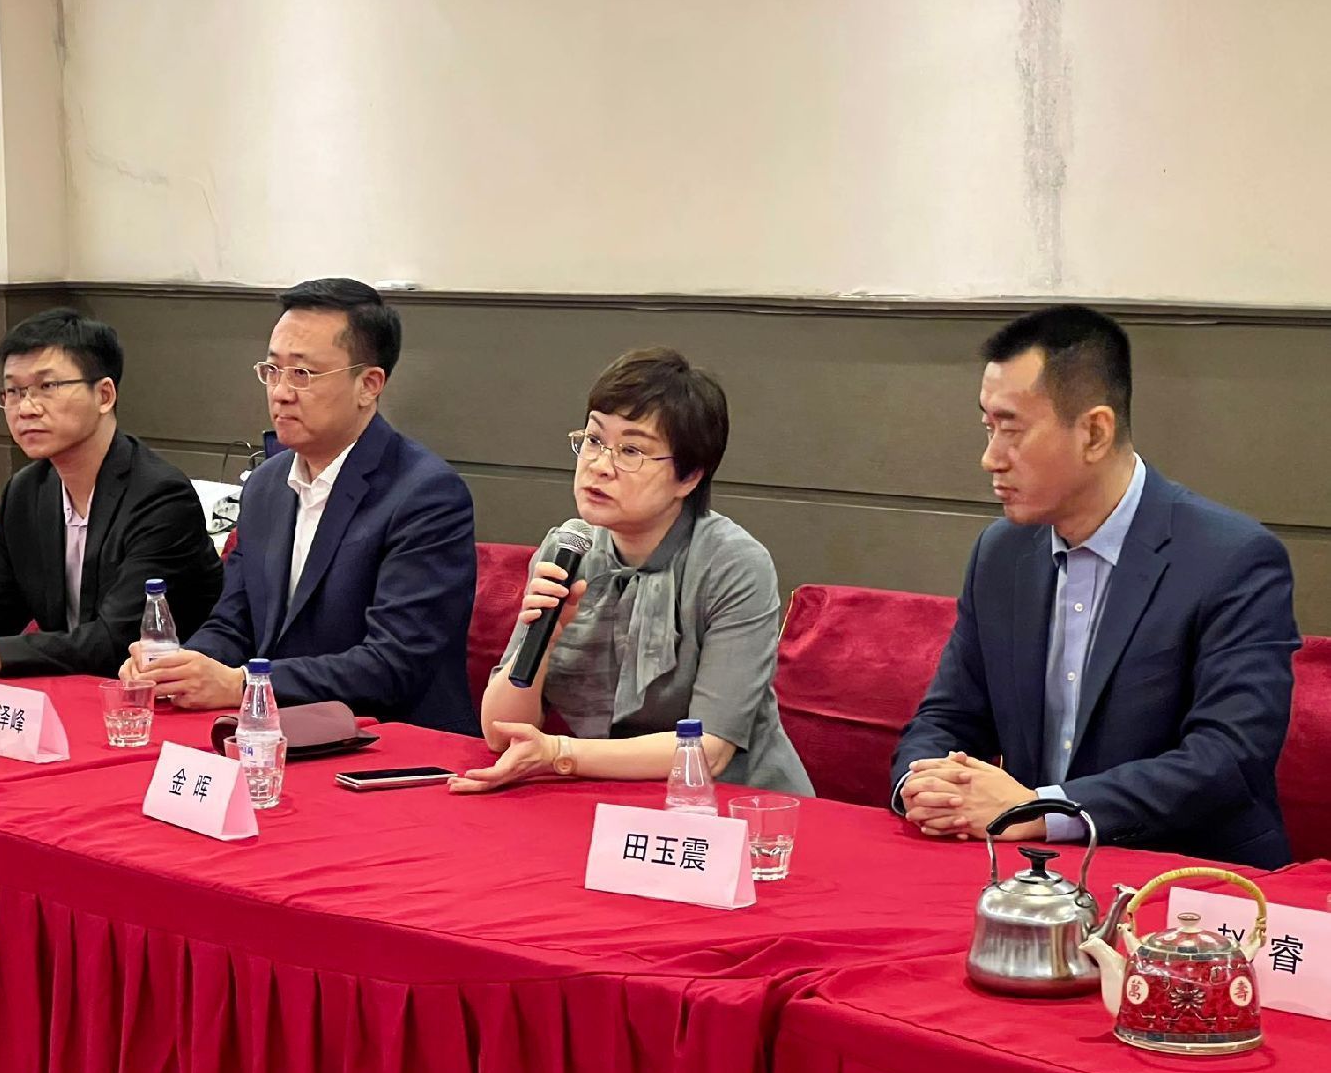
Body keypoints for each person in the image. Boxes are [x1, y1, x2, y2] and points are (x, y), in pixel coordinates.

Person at [892, 305, 1298, 869]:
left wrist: (1041, 810)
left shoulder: (1232, 558)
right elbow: (948, 717)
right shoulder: (1002, 553)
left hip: (1186, 877)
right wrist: (924, 784)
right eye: (988, 427)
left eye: (1012, 429)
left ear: (1094, 432)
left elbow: (1227, 758)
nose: (990, 458)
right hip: (1037, 875)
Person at [124, 278, 478, 732]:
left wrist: (242, 684)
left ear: (369, 385)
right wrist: (180, 668)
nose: (280, 392)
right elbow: (234, 623)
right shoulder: (267, 485)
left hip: (389, 741)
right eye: (272, 370)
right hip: (276, 731)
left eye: (302, 374)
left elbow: (393, 664)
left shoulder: (425, 494)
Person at [455, 346, 813, 796]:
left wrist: (559, 753)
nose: (599, 466)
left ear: (689, 477)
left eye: (631, 450)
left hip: (732, 803)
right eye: (594, 440)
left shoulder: (733, 564)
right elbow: (500, 733)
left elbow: (709, 749)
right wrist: (544, 639)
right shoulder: (568, 549)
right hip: (608, 796)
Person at [0, 308, 223, 677]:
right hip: (70, 688)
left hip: (158, 693)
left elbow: (115, 641)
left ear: (104, 395)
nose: (26, 408)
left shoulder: (161, 497)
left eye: (47, 387)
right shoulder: (26, 491)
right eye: (14, 391)